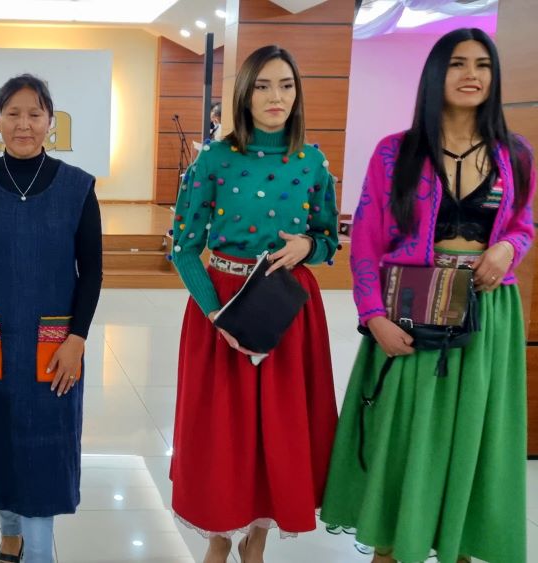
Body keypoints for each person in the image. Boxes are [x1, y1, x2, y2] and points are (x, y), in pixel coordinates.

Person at [320, 28, 534, 563]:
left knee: (473, 440)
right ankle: (391, 548)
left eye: (483, 65)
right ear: (436, 73)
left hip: (487, 315)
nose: (471, 75)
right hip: (410, 312)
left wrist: (508, 248)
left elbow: (525, 223)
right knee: (401, 436)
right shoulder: (396, 151)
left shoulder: (516, 154)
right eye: (458, 63)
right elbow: (365, 242)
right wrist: (373, 317)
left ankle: (458, 545)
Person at [168, 45, 340, 563]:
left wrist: (308, 246)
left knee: (280, 429)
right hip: (222, 309)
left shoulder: (312, 162)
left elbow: (329, 239)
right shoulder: (213, 160)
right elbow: (183, 249)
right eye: (262, 86)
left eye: (286, 85)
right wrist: (216, 314)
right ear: (244, 94)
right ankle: (219, 537)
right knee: (224, 430)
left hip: (288, 311)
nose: (275, 97)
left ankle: (257, 541)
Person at [0, 73, 103, 563]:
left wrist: (77, 338)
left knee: (43, 445)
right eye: (13, 113)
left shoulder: (78, 187)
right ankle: (9, 536)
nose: (24, 124)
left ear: (51, 121)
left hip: (52, 344)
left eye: (35, 114)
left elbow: (92, 270)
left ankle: (37, 553)